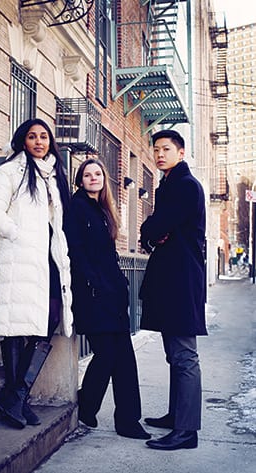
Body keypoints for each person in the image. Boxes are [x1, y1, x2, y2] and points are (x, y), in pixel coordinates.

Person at [0, 118, 73, 429]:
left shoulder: (55, 175)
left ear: (50, 142)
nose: (38, 141)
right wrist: (17, 234)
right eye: (32, 136)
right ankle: (15, 398)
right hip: (21, 257)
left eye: (44, 137)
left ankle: (16, 398)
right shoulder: (11, 171)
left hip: (49, 260)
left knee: (46, 321)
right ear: (23, 140)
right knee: (15, 325)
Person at [64, 158, 150, 440]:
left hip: (111, 295)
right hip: (92, 294)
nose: (93, 178)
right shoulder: (76, 208)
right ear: (80, 180)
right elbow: (76, 252)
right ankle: (88, 405)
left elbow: (107, 254)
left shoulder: (103, 210)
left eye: (98, 173)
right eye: (87, 174)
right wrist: (94, 284)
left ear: (103, 178)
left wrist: (120, 284)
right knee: (108, 354)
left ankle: (124, 418)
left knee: (123, 357)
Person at [139, 129, 207, 450]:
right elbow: (151, 231)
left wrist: (152, 230)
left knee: (184, 356)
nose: (159, 154)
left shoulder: (185, 186)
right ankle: (175, 415)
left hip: (182, 282)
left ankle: (186, 431)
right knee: (174, 355)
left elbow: (156, 225)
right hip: (171, 281)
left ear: (180, 153)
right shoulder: (168, 184)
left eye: (166, 149)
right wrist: (151, 232)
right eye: (156, 149)